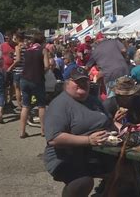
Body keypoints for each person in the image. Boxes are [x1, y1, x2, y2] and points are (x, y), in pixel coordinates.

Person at [44, 67, 116, 197]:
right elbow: (54, 138)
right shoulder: (60, 104)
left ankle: (106, 192)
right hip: (65, 156)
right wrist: (88, 140)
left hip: (97, 152)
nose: (82, 84)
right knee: (83, 182)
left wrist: (128, 129)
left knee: (126, 165)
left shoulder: (93, 100)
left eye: (85, 81)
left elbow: (110, 122)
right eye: (77, 81)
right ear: (67, 83)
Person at [20, 33, 50, 138]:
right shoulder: (43, 50)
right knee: (41, 105)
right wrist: (42, 72)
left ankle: (22, 131)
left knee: (25, 105)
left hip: (24, 79)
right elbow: (47, 66)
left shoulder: (27, 50)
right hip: (37, 80)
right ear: (42, 41)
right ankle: (43, 130)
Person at [7, 31, 26, 113]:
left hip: (18, 70)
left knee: (17, 88)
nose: (13, 39)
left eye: (15, 38)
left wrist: (11, 67)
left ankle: (19, 105)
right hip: (25, 70)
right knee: (24, 89)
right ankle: (25, 104)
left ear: (18, 38)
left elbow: (18, 59)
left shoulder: (18, 47)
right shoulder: (26, 46)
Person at [1, 31, 16, 104]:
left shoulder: (15, 45)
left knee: (13, 85)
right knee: (5, 85)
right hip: (4, 68)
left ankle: (10, 101)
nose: (7, 39)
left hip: (14, 68)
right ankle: (5, 101)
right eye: (6, 38)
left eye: (8, 38)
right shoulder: (2, 45)